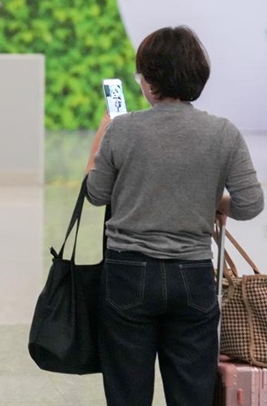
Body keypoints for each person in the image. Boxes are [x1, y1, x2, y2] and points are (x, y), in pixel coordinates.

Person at [85, 25, 264, 406]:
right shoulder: (223, 133)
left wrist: (100, 141)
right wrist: (216, 203)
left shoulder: (123, 129)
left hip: (128, 273)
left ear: (150, 79)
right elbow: (250, 204)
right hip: (192, 276)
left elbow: (97, 195)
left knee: (127, 393)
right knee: (191, 394)